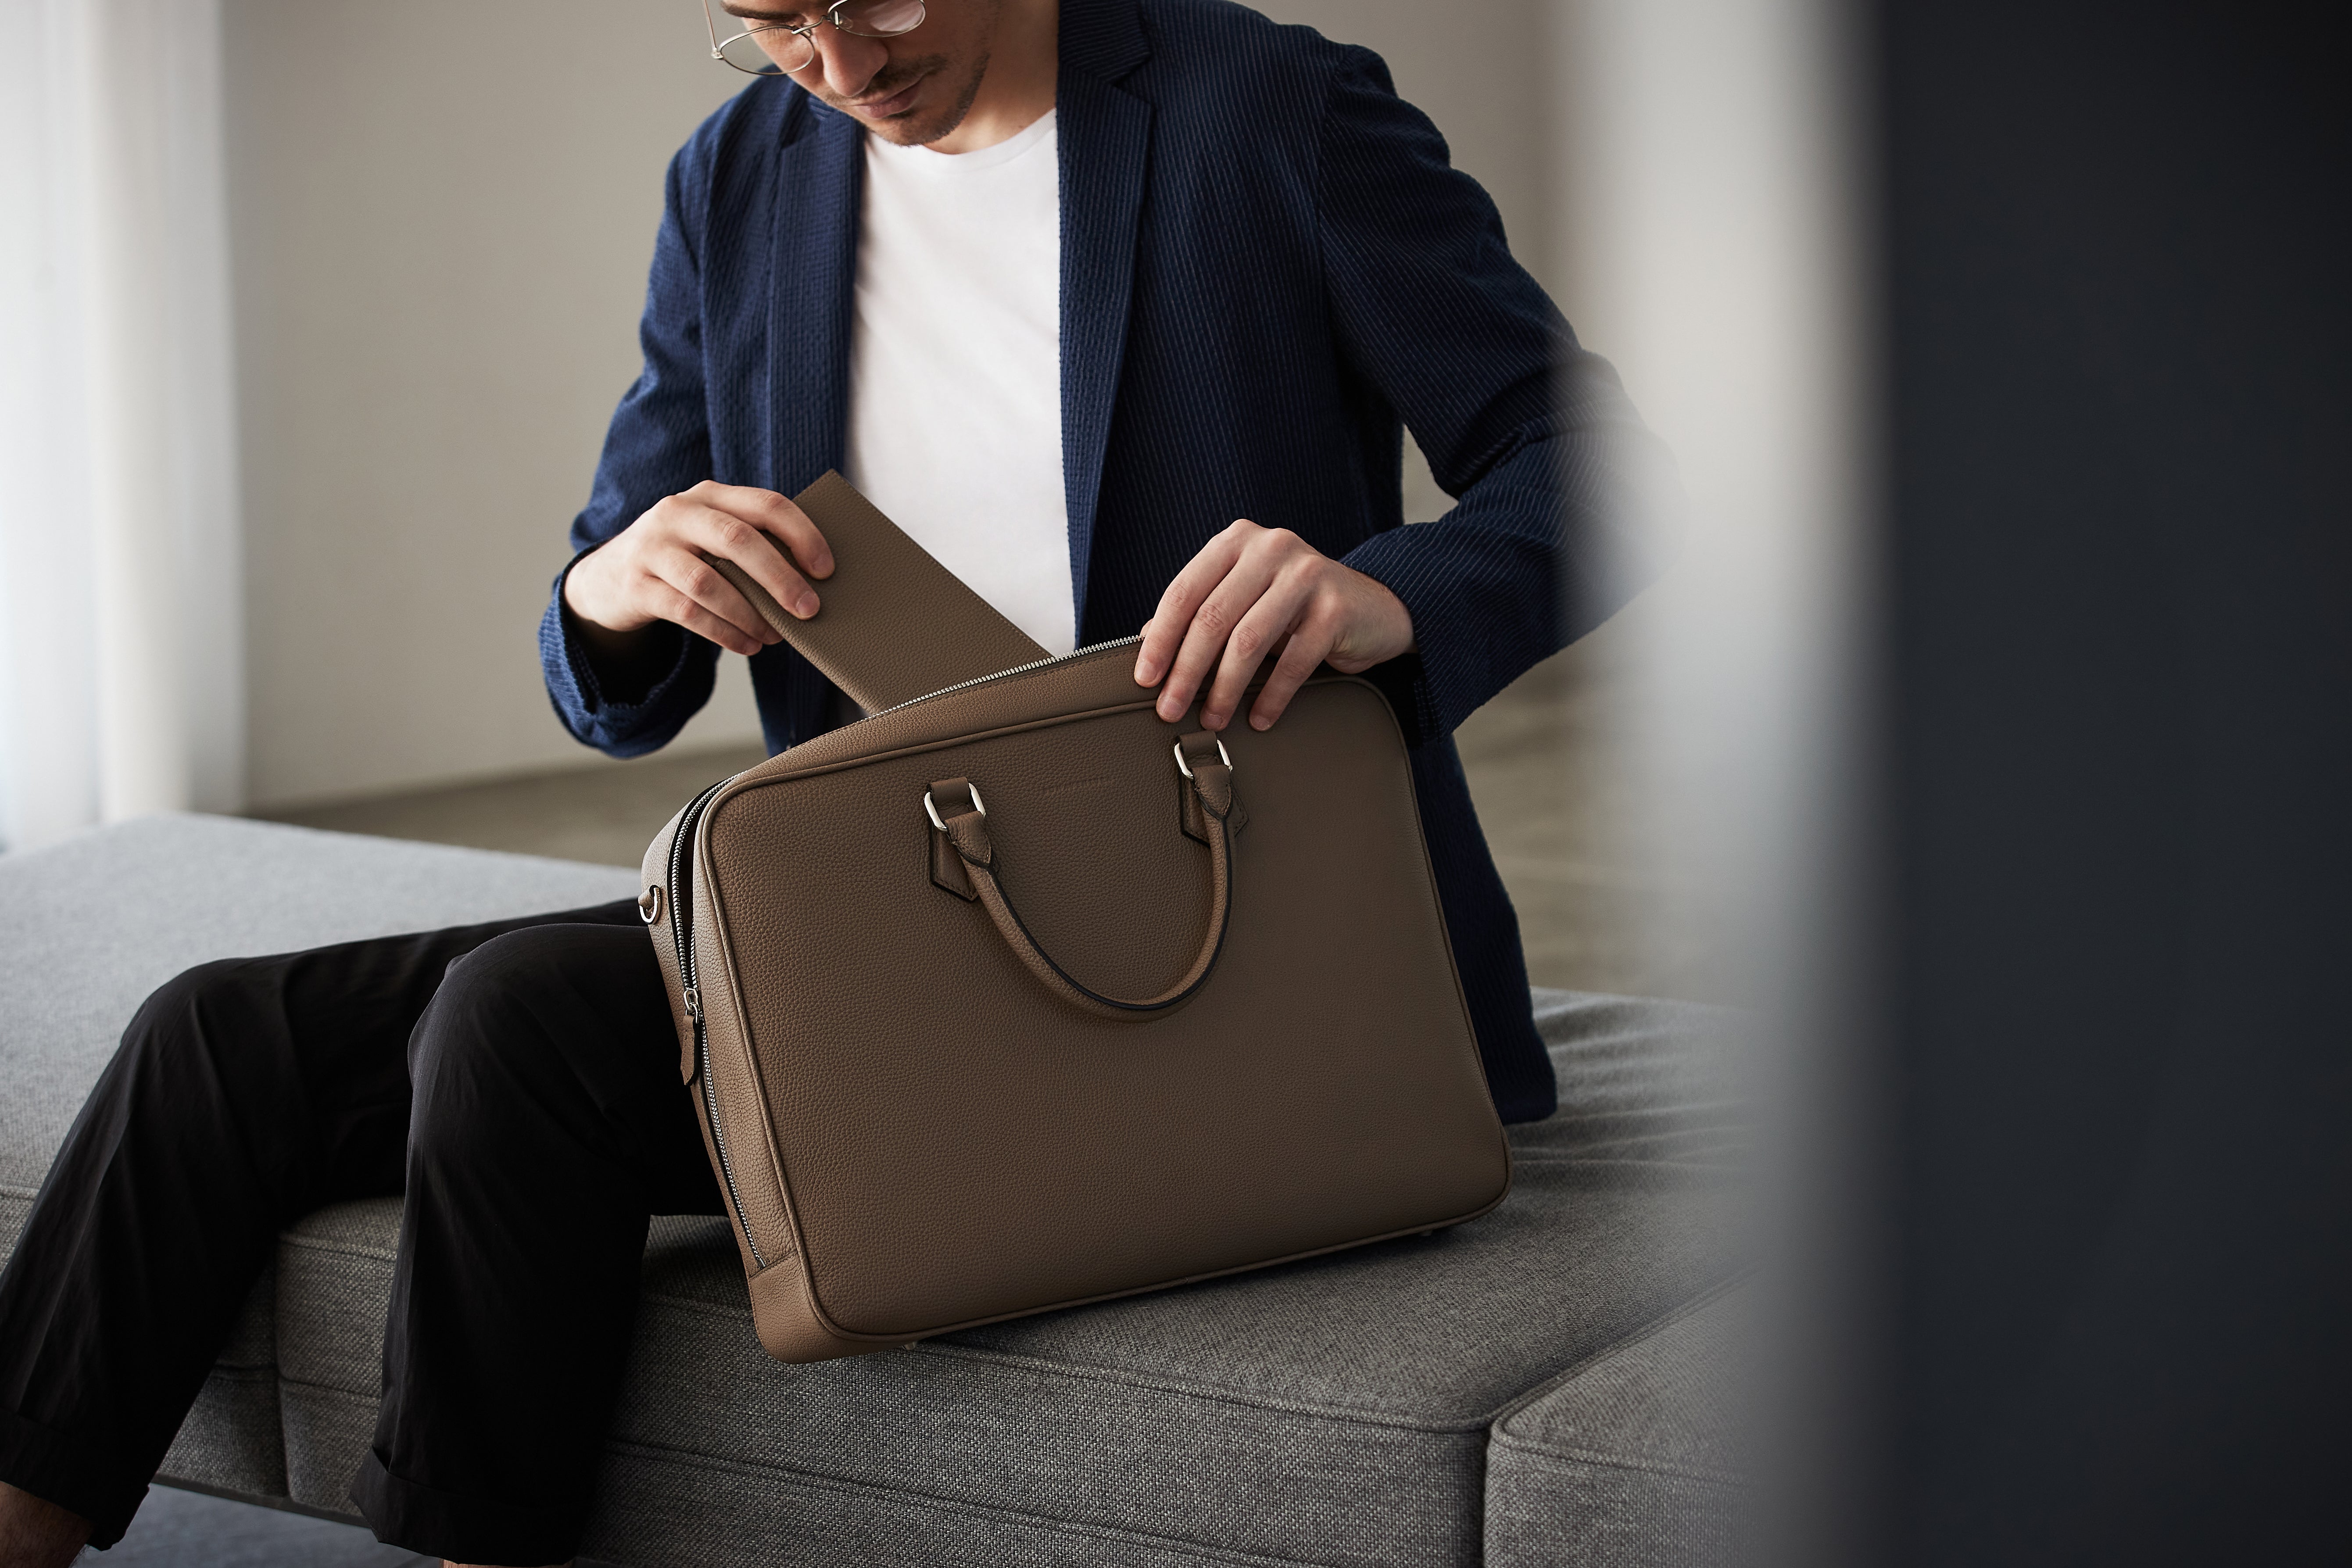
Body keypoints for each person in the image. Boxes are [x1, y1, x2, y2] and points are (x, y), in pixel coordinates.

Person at [0, 0, 1666, 1562]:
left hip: (1234, 954)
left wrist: (1395, 594)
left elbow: (1584, 467)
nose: (837, 64)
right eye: (771, 21)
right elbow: (615, 627)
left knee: (518, 1021)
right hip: (901, 930)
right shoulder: (743, 177)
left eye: (870, 0)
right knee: (215, 1038)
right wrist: (617, 588)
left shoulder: (1271, 112)